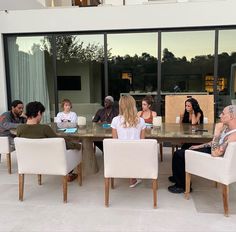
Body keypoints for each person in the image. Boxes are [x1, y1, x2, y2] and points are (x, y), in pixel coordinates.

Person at [168, 105, 236, 194]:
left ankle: (182, 186)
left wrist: (216, 133)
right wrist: (199, 146)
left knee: (178, 154)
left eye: (223, 113)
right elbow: (214, 143)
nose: (220, 115)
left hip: (215, 160)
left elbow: (215, 153)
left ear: (231, 116)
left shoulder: (233, 135)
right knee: (186, 146)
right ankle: (178, 176)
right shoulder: (227, 129)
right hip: (213, 152)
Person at [17, 101, 81, 182]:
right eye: (42, 114)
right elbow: (60, 144)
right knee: (70, 148)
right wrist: (78, 145)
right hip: (49, 162)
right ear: (39, 113)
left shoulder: (19, 128)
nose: (42, 117)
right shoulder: (44, 128)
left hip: (29, 162)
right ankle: (69, 174)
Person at [111, 95, 146, 188]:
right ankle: (133, 177)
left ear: (121, 106)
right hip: (136, 155)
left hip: (120, 154)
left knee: (123, 150)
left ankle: (124, 170)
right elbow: (142, 143)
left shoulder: (115, 120)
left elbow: (115, 141)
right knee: (136, 150)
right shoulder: (141, 121)